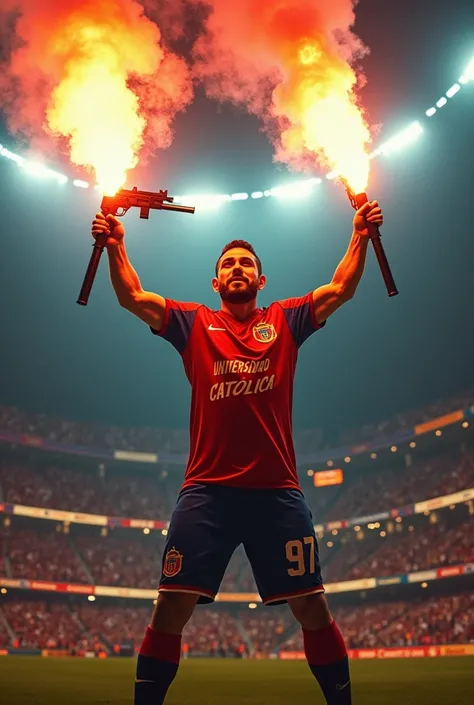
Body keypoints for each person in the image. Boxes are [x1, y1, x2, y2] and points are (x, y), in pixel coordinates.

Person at [91, 199, 384, 705]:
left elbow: (341, 289)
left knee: (313, 607)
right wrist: (117, 245)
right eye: (228, 264)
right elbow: (133, 297)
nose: (237, 268)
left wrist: (358, 235)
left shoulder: (286, 320)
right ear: (216, 283)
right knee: (170, 607)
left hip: (276, 492)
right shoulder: (194, 323)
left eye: (246, 262)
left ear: (261, 280)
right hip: (207, 491)